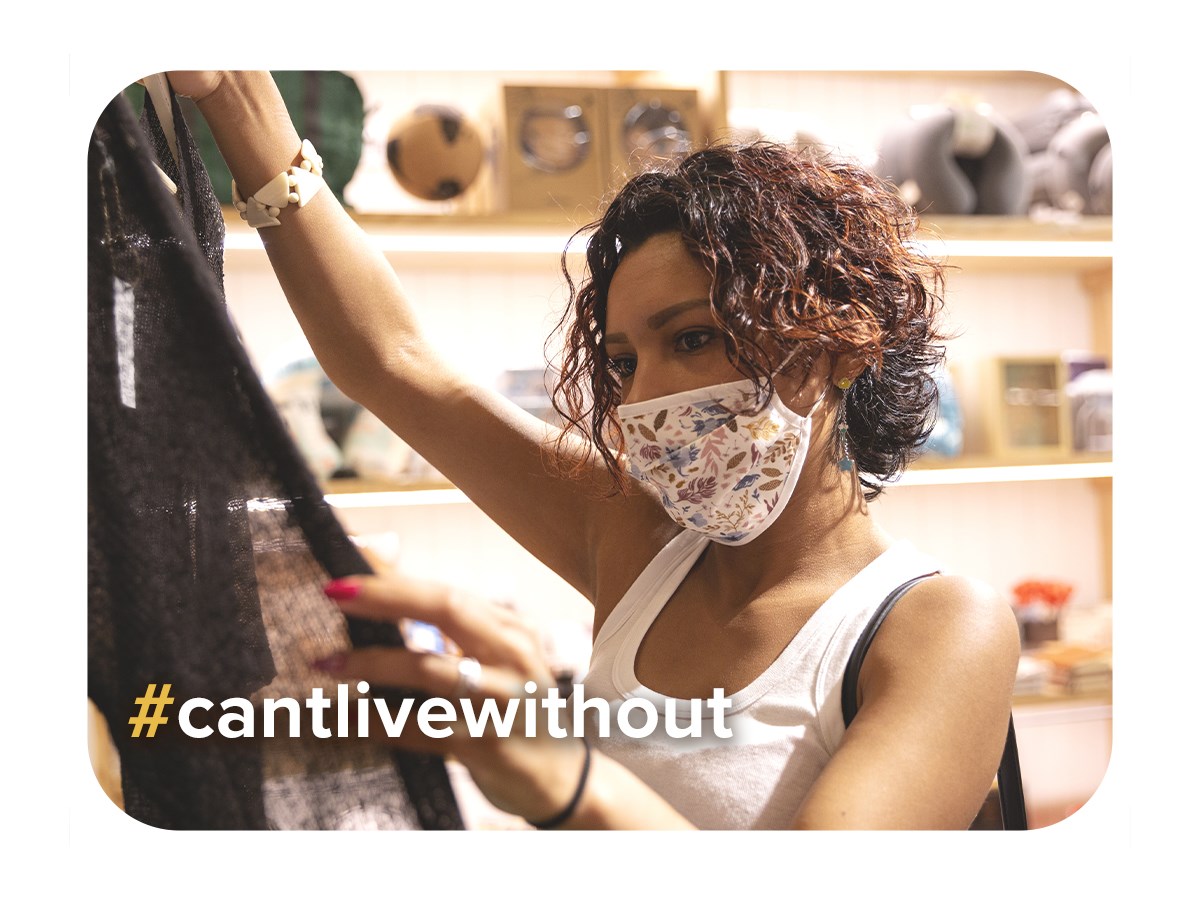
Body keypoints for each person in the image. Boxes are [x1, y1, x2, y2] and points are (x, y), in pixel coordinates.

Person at [166, 71, 1020, 830]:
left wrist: (567, 782)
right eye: (621, 362)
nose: (643, 396)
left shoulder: (940, 625)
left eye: (691, 339)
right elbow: (394, 363)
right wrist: (235, 93)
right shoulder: (640, 543)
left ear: (836, 346)